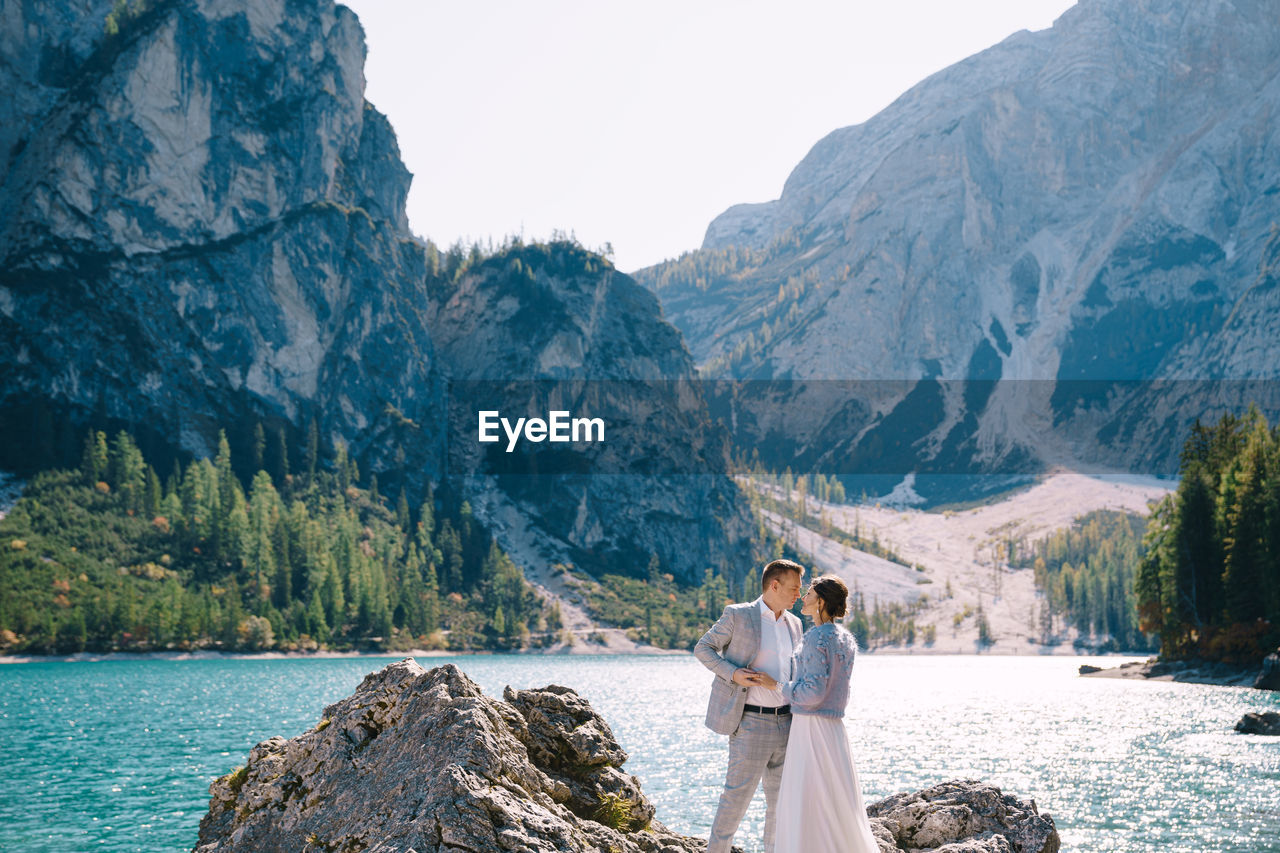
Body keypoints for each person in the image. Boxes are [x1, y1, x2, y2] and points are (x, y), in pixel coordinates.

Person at [753, 575, 881, 853]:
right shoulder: (845, 638)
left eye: (809, 593)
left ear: (821, 601)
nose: (803, 597)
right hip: (834, 728)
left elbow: (812, 693)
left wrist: (774, 685)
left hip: (810, 727)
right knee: (836, 798)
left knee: (809, 797)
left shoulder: (815, 638)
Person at [694, 558, 805, 853]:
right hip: (751, 723)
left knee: (781, 806)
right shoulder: (738, 615)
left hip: (788, 723)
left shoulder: (795, 623)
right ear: (775, 585)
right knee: (736, 799)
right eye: (794, 589)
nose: (799, 595)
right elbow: (703, 648)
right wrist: (732, 673)